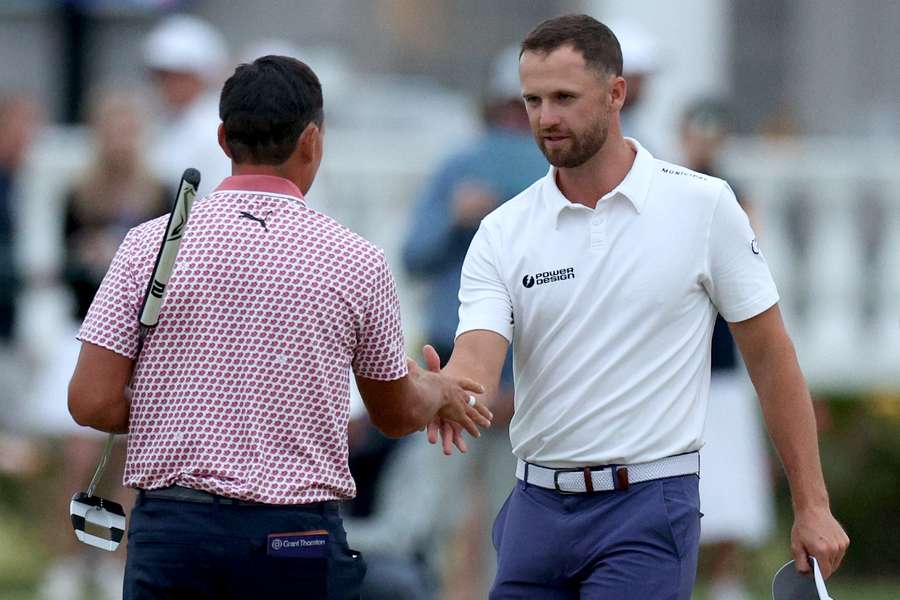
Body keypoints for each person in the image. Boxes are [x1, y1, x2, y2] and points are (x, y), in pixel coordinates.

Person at [425, 14, 849, 599]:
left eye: (565, 97)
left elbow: (772, 359)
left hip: (647, 510)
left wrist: (813, 506)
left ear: (616, 92)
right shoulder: (502, 230)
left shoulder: (703, 205)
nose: (546, 118)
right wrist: (444, 389)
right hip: (534, 512)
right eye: (532, 100)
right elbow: (475, 361)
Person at [66, 55, 491, 599]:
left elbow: (90, 401)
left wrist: (184, 405)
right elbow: (394, 412)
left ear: (223, 138)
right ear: (312, 140)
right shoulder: (355, 259)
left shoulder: (149, 245)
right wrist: (435, 389)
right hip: (294, 538)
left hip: (175, 532)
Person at [401, 43, 548, 596]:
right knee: (433, 509)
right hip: (452, 364)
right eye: (511, 107)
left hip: (526, 369)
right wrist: (455, 220)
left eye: (526, 107)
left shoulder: (553, 175)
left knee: (514, 519)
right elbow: (415, 253)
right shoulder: (459, 165)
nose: (517, 120)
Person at [31, 89, 169, 600]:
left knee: (133, 457)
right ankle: (67, 561)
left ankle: (117, 561)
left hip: (138, 338)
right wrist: (87, 259)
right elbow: (61, 269)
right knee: (78, 452)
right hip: (85, 329)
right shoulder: (78, 193)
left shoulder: (158, 194)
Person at [679, 99, 776, 600]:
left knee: (729, 480)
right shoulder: (670, 192)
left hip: (724, 362)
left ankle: (727, 580)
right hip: (682, 368)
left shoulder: (731, 197)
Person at [143, 14, 231, 198]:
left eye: (176, 76)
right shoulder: (158, 122)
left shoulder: (215, 129)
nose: (165, 84)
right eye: (160, 76)